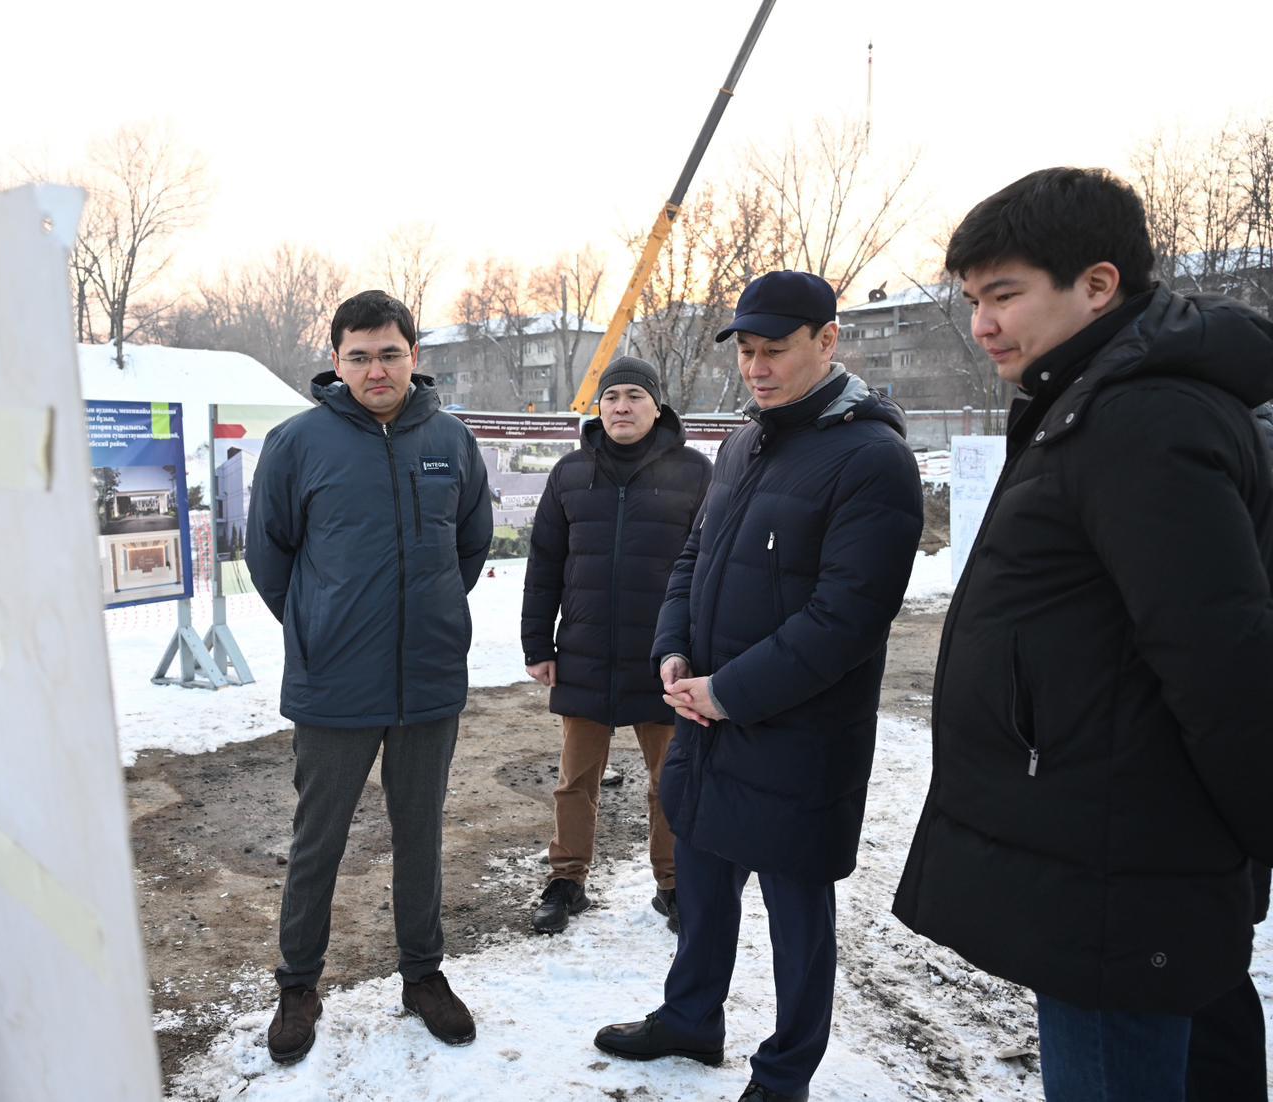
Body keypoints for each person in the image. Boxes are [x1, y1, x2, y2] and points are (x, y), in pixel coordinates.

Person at [891, 168, 1273, 1101]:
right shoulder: (1093, 399)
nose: (982, 324)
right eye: (973, 300)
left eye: (1004, 295)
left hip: (1122, 877)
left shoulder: (1140, 417)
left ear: (1098, 285)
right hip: (1125, 857)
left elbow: (1221, 657)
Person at [595, 271, 924, 1102]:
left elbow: (846, 619)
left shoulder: (872, 460)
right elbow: (694, 558)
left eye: (773, 349)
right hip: (710, 721)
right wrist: (673, 650)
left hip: (799, 737)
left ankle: (784, 1073)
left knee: (797, 917)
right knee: (703, 885)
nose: (756, 367)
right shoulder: (742, 445)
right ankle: (690, 1018)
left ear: (828, 340)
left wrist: (729, 692)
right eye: (745, 350)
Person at [246, 289, 492, 1064]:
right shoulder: (297, 443)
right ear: (336, 361)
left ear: (414, 356)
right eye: (359, 357)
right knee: (318, 841)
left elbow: (470, 546)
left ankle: (422, 975)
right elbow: (268, 555)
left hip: (429, 678)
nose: (375, 370)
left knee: (421, 835)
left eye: (389, 354)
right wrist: (320, 624)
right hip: (334, 684)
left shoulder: (452, 441)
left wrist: (430, 617)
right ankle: (298, 985)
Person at [521, 356, 711, 934]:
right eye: (611, 397)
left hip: (666, 657)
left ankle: (674, 885)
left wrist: (701, 647)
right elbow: (544, 562)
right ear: (598, 406)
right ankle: (567, 880)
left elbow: (711, 566)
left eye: (634, 395)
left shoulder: (695, 473)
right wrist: (538, 643)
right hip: (585, 651)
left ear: (657, 405)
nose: (622, 406)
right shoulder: (570, 473)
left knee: (669, 779)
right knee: (575, 780)